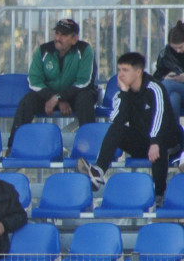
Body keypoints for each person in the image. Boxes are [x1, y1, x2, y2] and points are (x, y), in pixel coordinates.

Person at [77, 52, 182, 200]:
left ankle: (160, 195)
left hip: (167, 140)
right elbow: (117, 121)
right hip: (142, 142)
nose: (121, 75)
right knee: (116, 129)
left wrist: (155, 142)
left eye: (125, 70)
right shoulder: (122, 94)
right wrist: (125, 94)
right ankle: (98, 172)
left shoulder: (154, 88)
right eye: (119, 70)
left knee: (159, 146)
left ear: (138, 72)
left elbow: (161, 117)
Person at [9, 18, 98, 151]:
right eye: (57, 33)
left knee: (85, 99)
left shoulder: (84, 50)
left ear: (74, 39)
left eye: (64, 35)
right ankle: (13, 148)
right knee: (27, 101)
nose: (58, 38)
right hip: (48, 98)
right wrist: (56, 98)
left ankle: (91, 149)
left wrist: (58, 98)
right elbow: (34, 81)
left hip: (75, 96)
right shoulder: (43, 50)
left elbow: (84, 81)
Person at [154, 20, 184, 119]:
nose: (178, 51)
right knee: (173, 99)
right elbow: (156, 77)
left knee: (167, 84)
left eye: (180, 47)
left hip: (171, 87)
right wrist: (164, 77)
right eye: (174, 48)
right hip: (177, 91)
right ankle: (174, 133)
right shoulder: (167, 53)